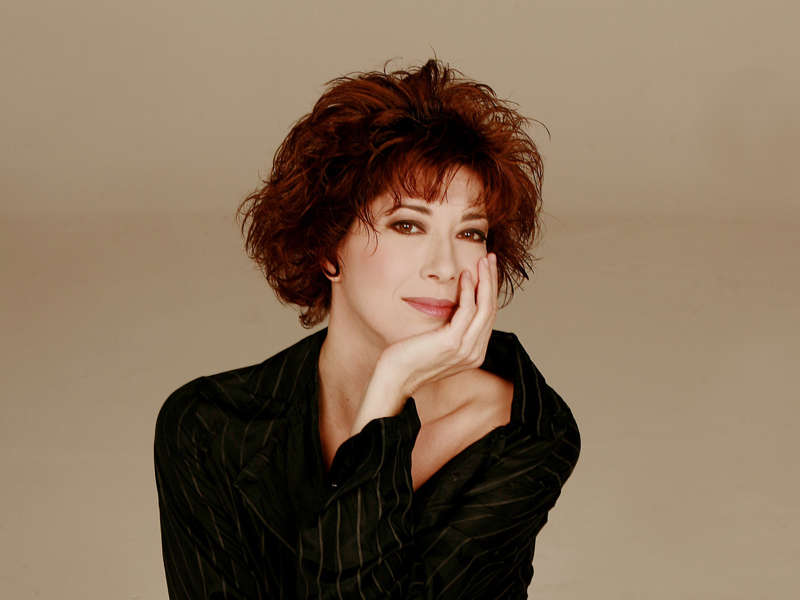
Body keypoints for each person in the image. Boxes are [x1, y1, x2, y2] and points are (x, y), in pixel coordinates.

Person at [154, 58, 580, 599]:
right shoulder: (208, 427)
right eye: (407, 225)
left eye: (471, 233)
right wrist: (388, 397)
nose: (446, 266)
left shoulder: (524, 431)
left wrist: (388, 394)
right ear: (328, 248)